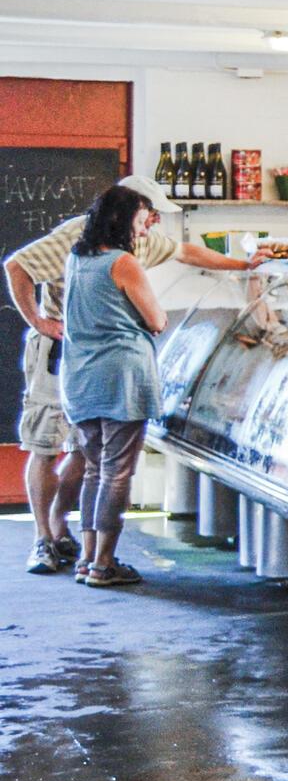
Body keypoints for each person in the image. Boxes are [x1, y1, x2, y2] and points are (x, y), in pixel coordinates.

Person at [5, 174, 260, 574]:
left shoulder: (130, 243)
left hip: (82, 366)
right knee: (54, 448)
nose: (155, 222)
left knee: (88, 459)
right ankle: (55, 543)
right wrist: (38, 320)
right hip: (64, 353)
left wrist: (245, 265)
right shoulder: (83, 242)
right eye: (150, 213)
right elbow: (17, 266)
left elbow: (187, 252)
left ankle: (68, 536)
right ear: (128, 210)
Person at [59, 185, 170, 588]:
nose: (144, 231)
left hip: (81, 376)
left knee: (94, 470)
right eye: (141, 222)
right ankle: (104, 564)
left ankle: (87, 559)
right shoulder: (123, 263)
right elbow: (156, 320)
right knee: (117, 473)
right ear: (123, 221)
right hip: (121, 377)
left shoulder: (77, 258)